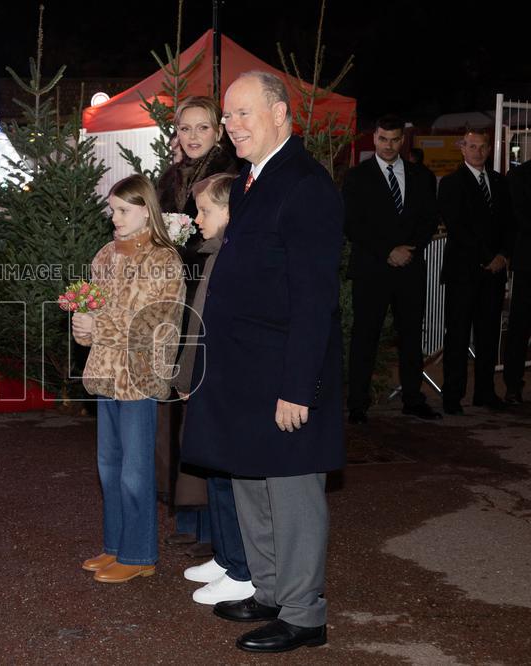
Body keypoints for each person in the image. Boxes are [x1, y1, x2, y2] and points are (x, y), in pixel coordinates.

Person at [181, 71, 344, 653]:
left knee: (293, 493)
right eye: (228, 116)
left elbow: (314, 297)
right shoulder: (252, 180)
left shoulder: (304, 185)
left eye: (243, 114)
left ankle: (304, 613)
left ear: (281, 115)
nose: (232, 126)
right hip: (246, 374)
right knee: (253, 480)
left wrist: (299, 386)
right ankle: (271, 589)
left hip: (283, 375)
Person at [72, 174, 185, 583]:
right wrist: (82, 327)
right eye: (112, 210)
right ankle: (115, 546)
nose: (114, 218)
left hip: (138, 376)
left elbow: (150, 324)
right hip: (106, 373)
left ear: (146, 210)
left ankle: (140, 555)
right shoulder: (105, 255)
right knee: (109, 465)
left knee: (136, 469)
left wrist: (96, 326)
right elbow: (94, 306)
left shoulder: (163, 259)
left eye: (123, 210)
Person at [155, 97, 235, 555]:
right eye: (185, 128)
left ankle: (210, 523)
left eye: (201, 128)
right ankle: (185, 511)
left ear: (216, 132)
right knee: (175, 406)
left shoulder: (226, 175)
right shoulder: (170, 177)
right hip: (173, 299)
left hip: (207, 292)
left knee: (201, 400)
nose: (192, 136)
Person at [171, 173, 255, 606]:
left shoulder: (232, 257)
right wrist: (186, 378)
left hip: (223, 384)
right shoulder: (213, 253)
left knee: (229, 478)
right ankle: (227, 558)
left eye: (205, 211)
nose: (197, 219)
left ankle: (243, 568)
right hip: (206, 381)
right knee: (216, 476)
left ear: (230, 211)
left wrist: (196, 379)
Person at [344, 115, 441, 424]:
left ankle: (413, 399)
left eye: (394, 140)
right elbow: (352, 223)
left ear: (403, 141)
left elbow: (429, 219)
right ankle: (357, 405)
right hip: (372, 269)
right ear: (375, 139)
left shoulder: (421, 176)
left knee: (412, 336)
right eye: (383, 139)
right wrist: (388, 250)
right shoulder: (357, 176)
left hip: (410, 268)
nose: (388, 145)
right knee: (365, 337)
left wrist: (408, 249)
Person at [438, 128, 513, 413]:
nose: (478, 152)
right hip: (464, 272)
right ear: (462, 149)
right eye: (472, 146)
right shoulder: (451, 183)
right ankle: (452, 396)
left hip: (494, 274)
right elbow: (457, 227)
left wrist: (504, 255)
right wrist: (486, 256)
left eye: (482, 147)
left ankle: (485, 392)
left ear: (489, 149)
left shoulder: (499, 182)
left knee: (488, 335)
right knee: (457, 336)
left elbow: (510, 223)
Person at [504, 159, 531, 404]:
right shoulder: (519, 175)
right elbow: (518, 217)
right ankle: (513, 385)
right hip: (528, 265)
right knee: (520, 325)